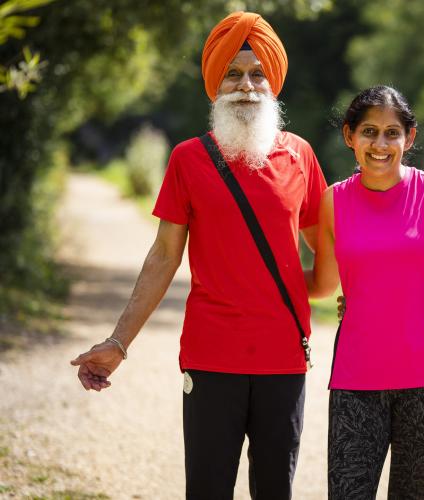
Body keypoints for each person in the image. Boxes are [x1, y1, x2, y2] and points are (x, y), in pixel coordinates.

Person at [69, 11, 327, 500]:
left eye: (257, 74)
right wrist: (118, 342)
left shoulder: (301, 155)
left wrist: (346, 294)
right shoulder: (188, 158)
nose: (246, 85)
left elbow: (328, 252)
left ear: (273, 83)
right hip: (212, 358)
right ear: (215, 83)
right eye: (233, 73)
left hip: (285, 359)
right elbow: (163, 256)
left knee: (276, 490)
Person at [306, 85, 424, 499]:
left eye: (392, 132)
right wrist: (256, 279)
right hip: (356, 379)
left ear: (409, 138)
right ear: (349, 136)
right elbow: (322, 284)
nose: (380, 143)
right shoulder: (333, 200)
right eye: (369, 131)